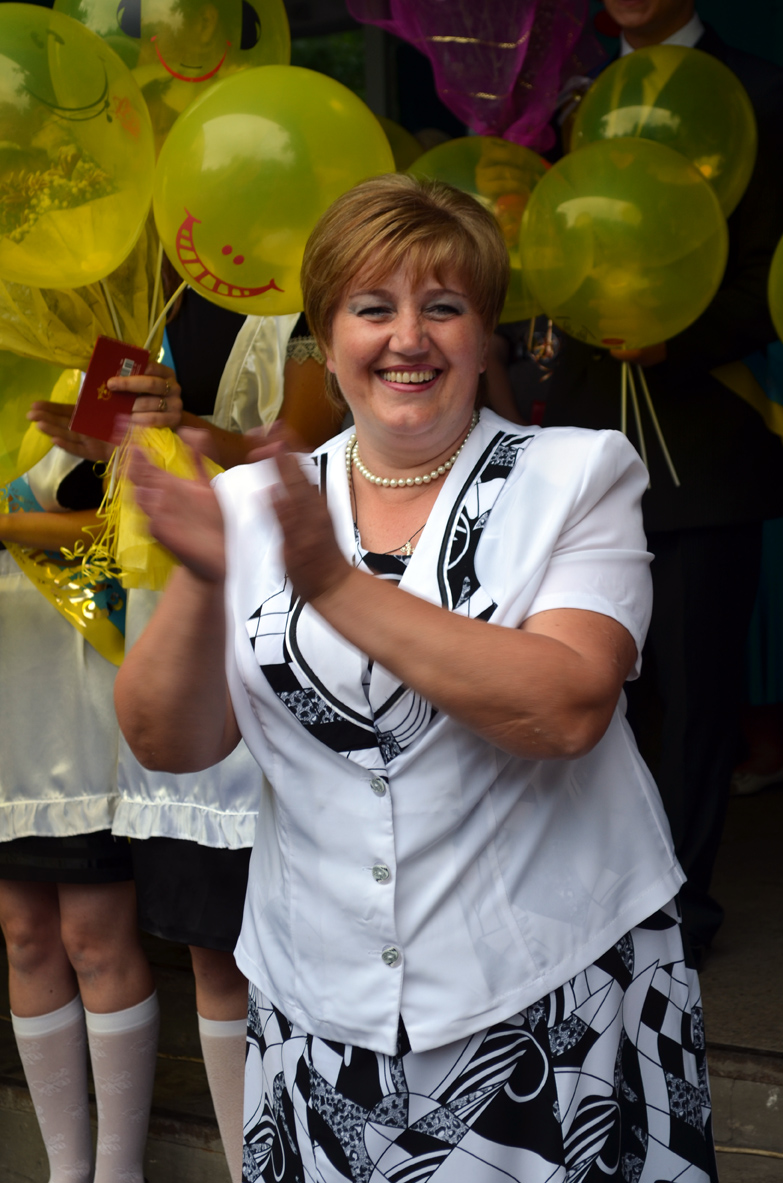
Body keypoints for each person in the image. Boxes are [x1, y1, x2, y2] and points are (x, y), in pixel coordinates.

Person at [114, 174, 717, 1182]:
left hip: (555, 1002)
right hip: (320, 1013)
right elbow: (169, 742)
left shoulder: (577, 475)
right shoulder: (253, 500)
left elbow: (565, 707)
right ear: (325, 337)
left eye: (443, 307)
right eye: (371, 308)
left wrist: (330, 584)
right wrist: (205, 577)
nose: (408, 338)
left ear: (485, 337)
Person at [506, 0, 783, 963]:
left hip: (701, 443)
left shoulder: (760, 94)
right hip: (578, 440)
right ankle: (588, 903)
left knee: (695, 693)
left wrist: (679, 335)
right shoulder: (559, 101)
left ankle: (676, 911)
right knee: (580, 682)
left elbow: (766, 279)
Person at [0, 382, 178, 1183]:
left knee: (93, 934)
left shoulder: (106, 356)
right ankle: (64, 1170)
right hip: (9, 672)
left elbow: (134, 525)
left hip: (85, 673)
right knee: (24, 932)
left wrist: (10, 526)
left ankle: (117, 1171)